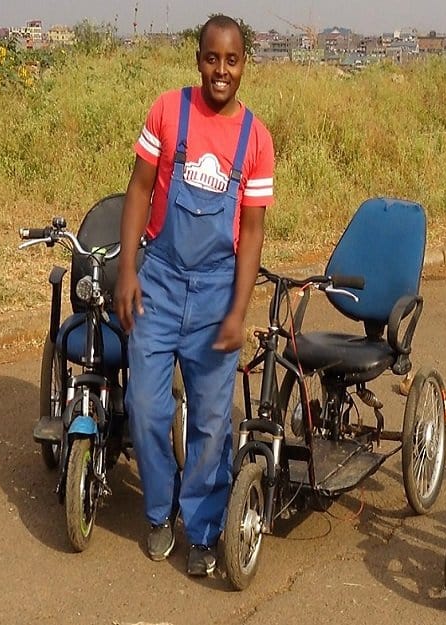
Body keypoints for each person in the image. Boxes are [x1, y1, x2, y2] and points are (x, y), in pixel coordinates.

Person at [115, 14, 274, 577]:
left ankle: (204, 531)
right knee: (148, 408)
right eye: (212, 58)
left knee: (211, 423)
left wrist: (237, 310)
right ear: (198, 59)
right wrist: (127, 271)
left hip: (214, 293)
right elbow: (138, 190)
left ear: (244, 64)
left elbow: (251, 233)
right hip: (156, 279)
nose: (221, 71)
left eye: (232, 60)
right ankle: (159, 513)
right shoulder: (168, 110)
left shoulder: (255, 137)